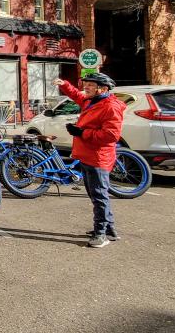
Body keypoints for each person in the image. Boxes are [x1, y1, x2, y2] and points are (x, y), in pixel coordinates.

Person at [54, 72, 126, 248]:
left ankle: (101, 234)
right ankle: (110, 229)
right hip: (87, 154)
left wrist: (81, 133)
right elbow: (77, 95)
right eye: (85, 84)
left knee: (99, 196)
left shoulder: (110, 107)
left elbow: (111, 135)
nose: (86, 87)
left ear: (103, 89)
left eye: (90, 85)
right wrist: (64, 85)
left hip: (98, 157)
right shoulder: (92, 100)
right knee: (97, 195)